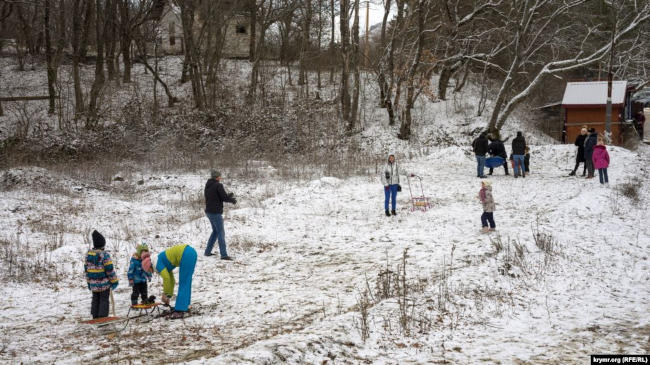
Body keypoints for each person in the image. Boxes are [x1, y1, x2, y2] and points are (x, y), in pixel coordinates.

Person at [155, 244, 198, 319]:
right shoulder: (162, 261)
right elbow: (171, 280)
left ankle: (180, 310)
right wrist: (168, 295)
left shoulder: (158, 264)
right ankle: (184, 305)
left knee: (184, 282)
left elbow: (166, 278)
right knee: (186, 281)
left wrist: (165, 294)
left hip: (186, 254)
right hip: (190, 252)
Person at [84, 230, 119, 319]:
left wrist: (89, 282)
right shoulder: (104, 255)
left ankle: (95, 316)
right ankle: (102, 317)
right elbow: (109, 270)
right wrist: (114, 281)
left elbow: (87, 270)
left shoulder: (88, 255)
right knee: (104, 299)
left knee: (95, 299)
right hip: (104, 284)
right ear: (102, 244)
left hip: (93, 284)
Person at [204, 170, 237, 259]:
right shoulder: (218, 185)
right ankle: (224, 255)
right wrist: (232, 200)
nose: (220, 177)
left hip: (208, 212)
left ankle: (207, 252)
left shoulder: (208, 185)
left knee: (215, 231)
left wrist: (227, 196)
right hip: (215, 213)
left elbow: (217, 197)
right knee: (220, 233)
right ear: (217, 177)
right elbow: (224, 198)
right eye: (219, 176)